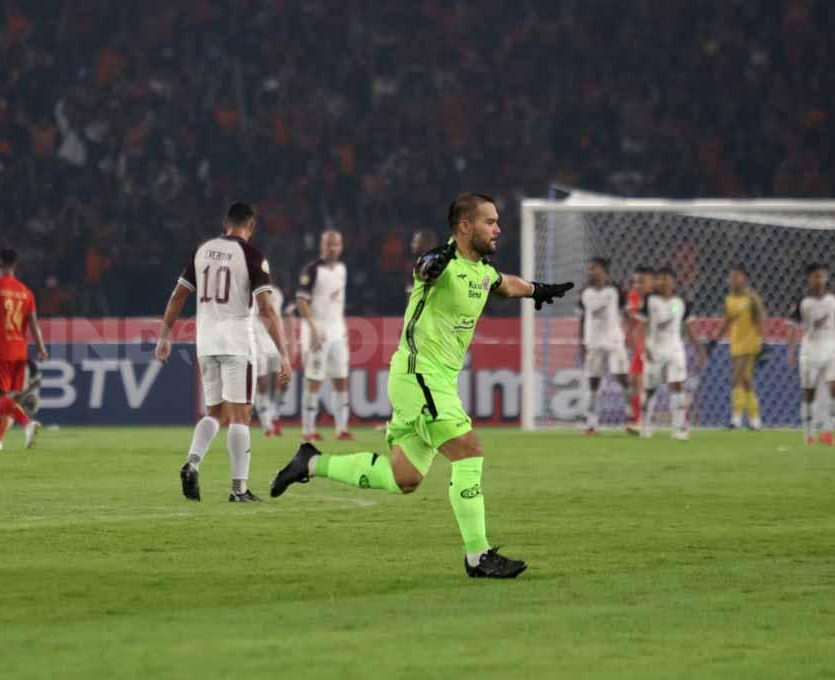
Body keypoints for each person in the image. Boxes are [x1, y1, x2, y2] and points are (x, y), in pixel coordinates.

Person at [270, 192, 573, 579]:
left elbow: (505, 284)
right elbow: (424, 267)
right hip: (420, 375)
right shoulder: (442, 264)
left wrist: (538, 289)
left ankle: (310, 462)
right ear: (465, 226)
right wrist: (430, 261)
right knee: (468, 450)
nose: (498, 228)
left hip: (436, 381)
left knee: (405, 478)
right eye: (490, 221)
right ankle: (477, 556)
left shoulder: (482, 271)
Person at [154, 201, 292, 503]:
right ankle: (238, 489)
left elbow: (178, 296)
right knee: (241, 415)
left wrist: (165, 335)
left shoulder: (201, 251)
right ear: (251, 227)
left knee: (214, 412)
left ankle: (192, 462)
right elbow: (267, 310)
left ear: (224, 222)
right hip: (237, 343)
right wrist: (283, 353)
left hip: (206, 342)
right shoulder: (252, 256)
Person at [0, 248, 48, 452]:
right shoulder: (26, 292)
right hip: (20, 351)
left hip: (0, 349)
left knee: (0, 397)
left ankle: (24, 425)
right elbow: (34, 324)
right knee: (8, 398)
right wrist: (42, 349)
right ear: (15, 265)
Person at [297, 230, 351, 440]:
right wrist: (312, 328)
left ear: (341, 246)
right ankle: (308, 430)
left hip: (337, 331)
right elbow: (301, 301)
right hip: (317, 331)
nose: (332, 248)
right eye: (329, 244)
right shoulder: (311, 270)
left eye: (336, 244)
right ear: (321, 246)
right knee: (314, 379)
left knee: (341, 379)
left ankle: (341, 429)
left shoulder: (341, 269)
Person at [788, 263, 835, 446]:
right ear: (809, 279)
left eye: (822, 276)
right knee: (809, 393)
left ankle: (829, 431)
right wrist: (791, 351)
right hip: (810, 350)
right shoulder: (802, 302)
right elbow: (794, 327)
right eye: (816, 276)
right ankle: (809, 433)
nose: (820, 280)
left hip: (832, 348)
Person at [639, 267, 703, 440]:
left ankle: (679, 428)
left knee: (677, 386)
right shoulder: (649, 301)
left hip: (675, 349)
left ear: (673, 281)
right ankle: (645, 425)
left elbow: (687, 326)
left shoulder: (681, 302)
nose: (661, 282)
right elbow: (642, 327)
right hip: (655, 349)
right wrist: (644, 347)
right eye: (659, 279)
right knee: (650, 389)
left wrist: (699, 348)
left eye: (665, 278)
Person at [708, 265, 766, 430]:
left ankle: (736, 418)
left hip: (750, 343)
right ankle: (755, 419)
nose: (733, 280)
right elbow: (727, 321)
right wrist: (716, 339)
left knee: (736, 378)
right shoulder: (729, 300)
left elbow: (760, 319)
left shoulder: (752, 298)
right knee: (746, 380)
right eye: (731, 277)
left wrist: (762, 341)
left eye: (737, 276)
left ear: (744, 278)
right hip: (736, 343)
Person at [578, 257, 628, 435]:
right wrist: (582, 342)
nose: (591, 272)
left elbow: (626, 312)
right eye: (589, 269)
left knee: (622, 377)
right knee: (593, 382)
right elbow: (583, 319)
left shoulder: (616, 291)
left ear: (603, 271)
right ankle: (591, 424)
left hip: (614, 341)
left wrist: (626, 334)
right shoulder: (584, 292)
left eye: (594, 268)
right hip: (593, 342)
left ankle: (632, 419)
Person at [252, 281, 286, 436]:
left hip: (275, 339)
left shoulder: (278, 293)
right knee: (263, 381)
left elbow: (285, 316)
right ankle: (267, 424)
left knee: (283, 380)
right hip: (256, 339)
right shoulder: (250, 292)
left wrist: (288, 341)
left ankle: (274, 414)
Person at [624, 266, 653, 435]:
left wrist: (673, 311)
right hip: (640, 346)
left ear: (651, 282)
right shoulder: (633, 297)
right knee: (636, 381)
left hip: (659, 346)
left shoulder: (657, 299)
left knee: (673, 384)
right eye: (634, 281)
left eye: (641, 281)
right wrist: (628, 335)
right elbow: (633, 320)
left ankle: (682, 421)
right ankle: (637, 420)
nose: (637, 285)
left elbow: (676, 310)